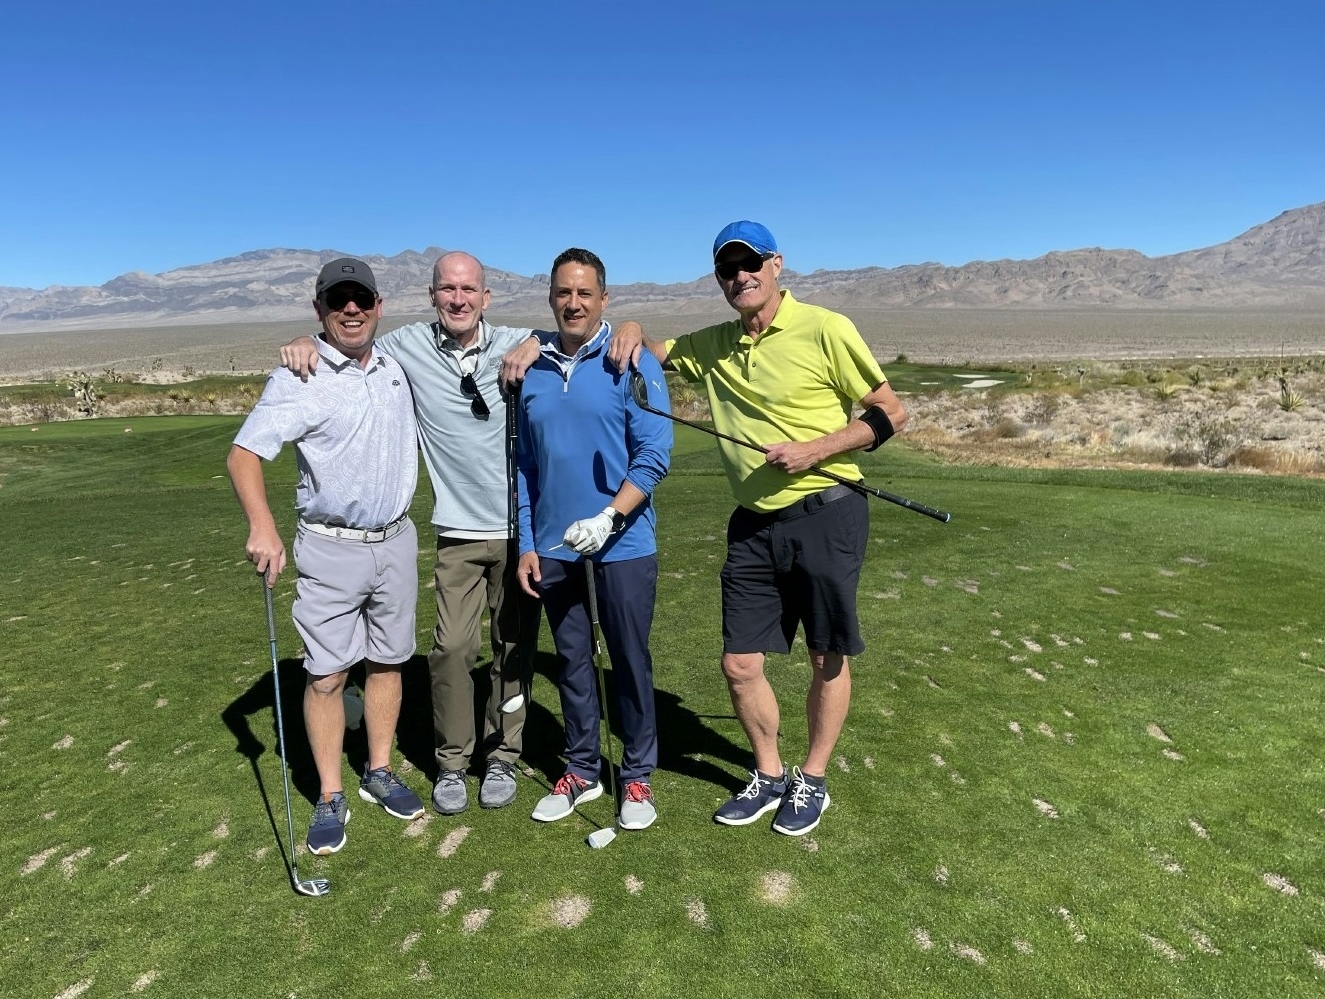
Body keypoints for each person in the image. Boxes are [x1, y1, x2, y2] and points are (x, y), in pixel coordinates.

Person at [609, 221, 909, 835]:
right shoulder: (714, 342)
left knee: (827, 655)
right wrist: (633, 328)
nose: (739, 276)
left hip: (828, 508)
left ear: (776, 264)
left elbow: (890, 412)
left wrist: (816, 449)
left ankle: (813, 779)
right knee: (740, 663)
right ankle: (769, 773)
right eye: (727, 269)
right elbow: (649, 352)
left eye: (749, 263)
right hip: (752, 524)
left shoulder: (825, 327)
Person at [278, 252, 536, 817]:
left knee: (512, 649)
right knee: (449, 651)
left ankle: (503, 755)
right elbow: (348, 336)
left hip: (521, 530)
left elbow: (580, 332)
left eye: (470, 289)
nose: (459, 299)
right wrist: (303, 337)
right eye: (448, 289)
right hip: (458, 532)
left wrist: (620, 330)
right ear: (432, 295)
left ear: (487, 297)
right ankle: (451, 762)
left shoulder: (518, 338)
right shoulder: (405, 347)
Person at [229, 257, 425, 855]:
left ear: (378, 306)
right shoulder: (298, 376)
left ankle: (380, 770)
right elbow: (244, 454)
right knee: (327, 674)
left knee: (388, 663)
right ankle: (330, 795)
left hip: (397, 540)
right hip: (330, 547)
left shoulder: (399, 364)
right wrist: (262, 527)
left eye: (361, 299)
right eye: (337, 300)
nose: (351, 310)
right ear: (319, 309)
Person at [514, 248, 673, 830]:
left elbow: (655, 455)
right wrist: (530, 543)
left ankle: (635, 777)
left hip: (624, 544)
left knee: (628, 660)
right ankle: (581, 768)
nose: (573, 303)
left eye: (585, 293)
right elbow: (526, 467)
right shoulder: (531, 368)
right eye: (563, 293)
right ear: (551, 298)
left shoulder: (630, 361)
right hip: (556, 548)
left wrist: (609, 517)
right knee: (574, 661)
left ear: (604, 299)